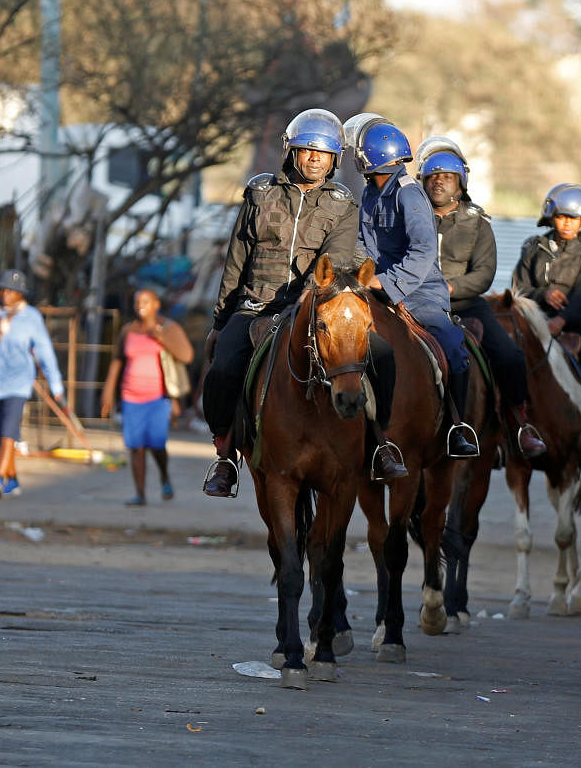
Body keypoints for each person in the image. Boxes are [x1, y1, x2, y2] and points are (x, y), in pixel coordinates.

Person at [201, 108, 406, 497]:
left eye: (323, 153)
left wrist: (308, 302)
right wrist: (221, 318)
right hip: (256, 304)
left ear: (334, 160)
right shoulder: (260, 194)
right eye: (307, 150)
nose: (314, 158)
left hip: (312, 308)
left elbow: (338, 260)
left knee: (381, 355)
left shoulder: (343, 204)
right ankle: (226, 455)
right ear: (291, 152)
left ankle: (381, 443)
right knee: (224, 367)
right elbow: (236, 260)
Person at [343, 113, 480, 458]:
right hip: (373, 290)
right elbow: (361, 243)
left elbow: (423, 251)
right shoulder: (370, 193)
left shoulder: (409, 194)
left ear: (371, 154)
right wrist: (353, 273)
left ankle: (456, 427)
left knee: (452, 345)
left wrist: (386, 283)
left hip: (419, 294)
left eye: (358, 149)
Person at [415, 136, 546, 459]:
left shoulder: (477, 222)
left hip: (465, 302)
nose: (438, 183)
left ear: (460, 183)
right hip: (416, 302)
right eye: (432, 177)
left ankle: (518, 424)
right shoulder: (411, 215)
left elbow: (484, 273)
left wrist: (451, 288)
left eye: (446, 177)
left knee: (511, 356)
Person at [512, 183, 581, 473]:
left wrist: (563, 319)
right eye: (562, 216)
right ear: (550, 217)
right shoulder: (533, 247)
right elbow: (519, 287)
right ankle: (509, 435)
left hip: (578, 326)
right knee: (506, 364)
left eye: (575, 218)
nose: (568, 223)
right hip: (536, 325)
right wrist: (542, 295)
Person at [0, 269, 65, 497]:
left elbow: (45, 352)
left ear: (22, 294)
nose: (7, 294)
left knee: (10, 426)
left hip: (19, 380)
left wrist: (56, 384)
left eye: (12, 291)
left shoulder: (31, 317)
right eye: (3, 289)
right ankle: (12, 478)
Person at [101, 287, 194, 506]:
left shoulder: (168, 327)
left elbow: (187, 355)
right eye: (137, 301)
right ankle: (140, 494)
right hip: (130, 397)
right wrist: (108, 391)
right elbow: (117, 361)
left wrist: (161, 339)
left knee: (156, 443)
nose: (140, 304)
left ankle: (164, 475)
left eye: (146, 300)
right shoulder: (128, 330)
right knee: (136, 446)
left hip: (158, 398)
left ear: (156, 305)